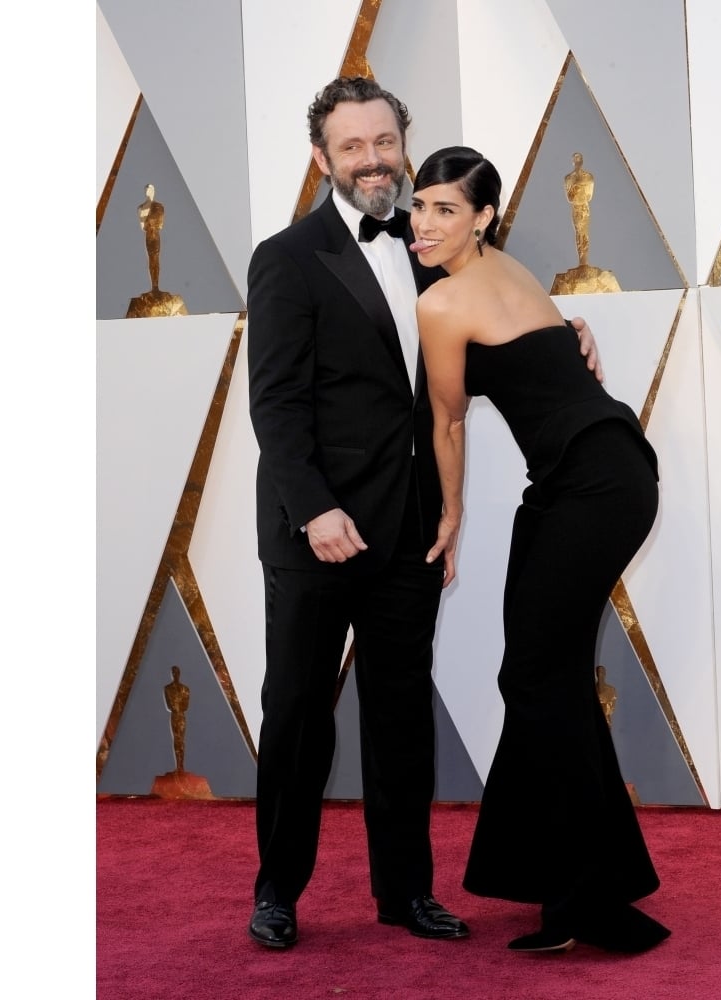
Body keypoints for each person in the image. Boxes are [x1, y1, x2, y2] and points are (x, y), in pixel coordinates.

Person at [245, 76, 602, 951]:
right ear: (323, 159)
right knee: (297, 716)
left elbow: (469, 355)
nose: (374, 160)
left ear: (404, 144)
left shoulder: (430, 245)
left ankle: (405, 893)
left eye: (384, 142)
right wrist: (316, 510)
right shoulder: (287, 258)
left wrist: (565, 336)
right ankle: (276, 892)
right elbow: (277, 406)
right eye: (353, 147)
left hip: (408, 529)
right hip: (317, 534)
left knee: (400, 717)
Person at [411, 146, 671, 955]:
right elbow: (537, 360)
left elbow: (447, 420)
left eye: (446, 209)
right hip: (588, 473)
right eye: (419, 206)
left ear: (483, 217)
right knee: (541, 673)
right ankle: (583, 882)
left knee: (533, 674)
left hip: (592, 481)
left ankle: (586, 898)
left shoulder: (445, 302)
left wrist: (449, 515)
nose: (424, 222)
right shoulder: (505, 271)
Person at [137, 183, 165, 291]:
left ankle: (156, 285)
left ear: (153, 191)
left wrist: (150, 222)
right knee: (151, 259)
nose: (148, 191)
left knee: (155, 258)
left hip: (154, 235)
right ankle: (154, 285)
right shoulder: (141, 208)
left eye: (150, 189)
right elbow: (142, 226)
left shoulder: (159, 207)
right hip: (149, 235)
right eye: (146, 189)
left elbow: (160, 224)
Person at [163, 665, 190, 773]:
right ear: (172, 674)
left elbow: (186, 705)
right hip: (175, 715)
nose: (175, 675)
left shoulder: (185, 689)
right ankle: (178, 765)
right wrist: (177, 707)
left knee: (181, 740)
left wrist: (177, 706)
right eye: (174, 673)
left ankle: (181, 765)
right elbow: (169, 706)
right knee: (176, 739)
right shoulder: (167, 689)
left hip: (180, 715)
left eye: (177, 672)